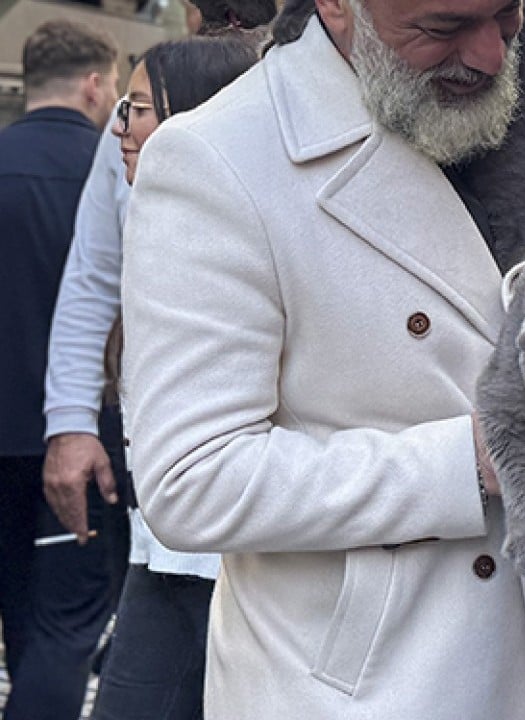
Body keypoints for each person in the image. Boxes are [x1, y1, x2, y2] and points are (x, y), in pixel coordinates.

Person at [117, 1, 525, 718]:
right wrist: (467, 463)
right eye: (443, 27)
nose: (491, 55)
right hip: (356, 691)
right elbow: (190, 480)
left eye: (507, 16)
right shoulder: (216, 157)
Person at [88, 36, 260, 720]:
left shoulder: (233, 241)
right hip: (161, 551)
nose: (119, 129)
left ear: (195, 115)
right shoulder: (157, 222)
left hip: (230, 565)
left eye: (136, 109)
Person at [0, 19, 119, 720]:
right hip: (78, 439)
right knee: (63, 626)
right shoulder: (112, 176)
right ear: (95, 85)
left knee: (21, 611)